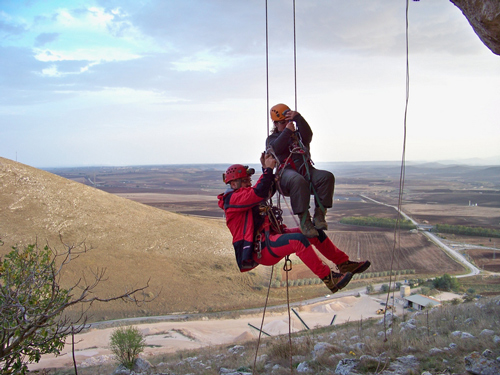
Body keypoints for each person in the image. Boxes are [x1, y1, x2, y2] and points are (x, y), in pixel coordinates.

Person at [217, 153, 370, 294]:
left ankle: (343, 263)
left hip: (271, 238)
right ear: (234, 184)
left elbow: (263, 190)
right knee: (299, 241)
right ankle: (329, 279)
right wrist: (268, 169)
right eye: (244, 181)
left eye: (248, 181)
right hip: (263, 248)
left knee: (314, 232)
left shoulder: (242, 196)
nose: (248, 184)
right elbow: (259, 192)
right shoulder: (232, 200)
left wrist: (266, 169)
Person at [266, 103, 335, 238]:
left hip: (306, 170)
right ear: (276, 123)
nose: (286, 125)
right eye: (282, 123)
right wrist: (287, 132)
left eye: (288, 122)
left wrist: (299, 118)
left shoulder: (298, 136)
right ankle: (305, 221)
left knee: (327, 177)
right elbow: (276, 148)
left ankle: (320, 215)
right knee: (298, 180)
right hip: (286, 175)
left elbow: (308, 135)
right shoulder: (272, 139)